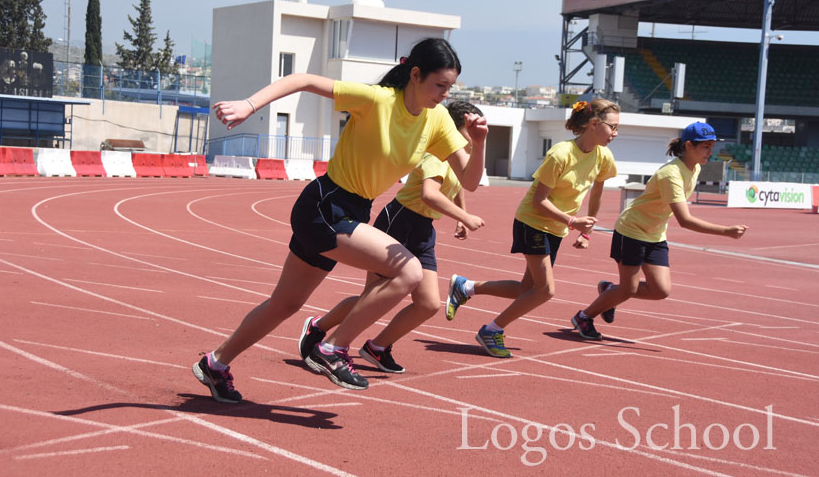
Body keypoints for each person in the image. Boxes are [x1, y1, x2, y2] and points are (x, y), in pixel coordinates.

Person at [193, 38, 488, 401]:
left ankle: (216, 363)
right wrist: (248, 105)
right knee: (409, 272)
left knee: (285, 305)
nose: (444, 94)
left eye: (450, 88)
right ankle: (332, 348)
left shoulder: (438, 118)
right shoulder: (378, 100)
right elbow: (302, 79)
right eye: (439, 85)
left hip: (353, 210)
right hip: (325, 205)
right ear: (415, 74)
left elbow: (471, 182)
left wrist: (479, 142)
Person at [297, 101, 486, 374]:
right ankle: (320, 326)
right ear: (456, 130)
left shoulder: (461, 157)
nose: (475, 132)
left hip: (423, 229)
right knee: (375, 295)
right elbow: (429, 194)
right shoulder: (437, 154)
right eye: (470, 128)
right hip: (400, 220)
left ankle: (378, 346)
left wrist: (461, 215)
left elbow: (458, 185)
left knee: (429, 303)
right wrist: (465, 217)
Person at [446, 98, 619, 357]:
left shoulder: (603, 157)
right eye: (612, 127)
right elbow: (539, 201)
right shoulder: (560, 154)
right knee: (545, 290)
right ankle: (492, 330)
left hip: (557, 228)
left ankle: (466, 287)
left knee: (526, 290)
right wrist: (573, 222)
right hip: (533, 222)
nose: (616, 134)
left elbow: (596, 195)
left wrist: (586, 231)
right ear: (594, 124)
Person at [570, 121, 748, 339]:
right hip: (632, 231)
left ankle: (610, 291)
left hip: (654, 234)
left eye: (712, 147)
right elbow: (685, 220)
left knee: (660, 290)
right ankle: (584, 316)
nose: (710, 152)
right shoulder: (671, 175)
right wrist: (726, 231)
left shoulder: (696, 168)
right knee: (628, 289)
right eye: (706, 147)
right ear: (689, 145)